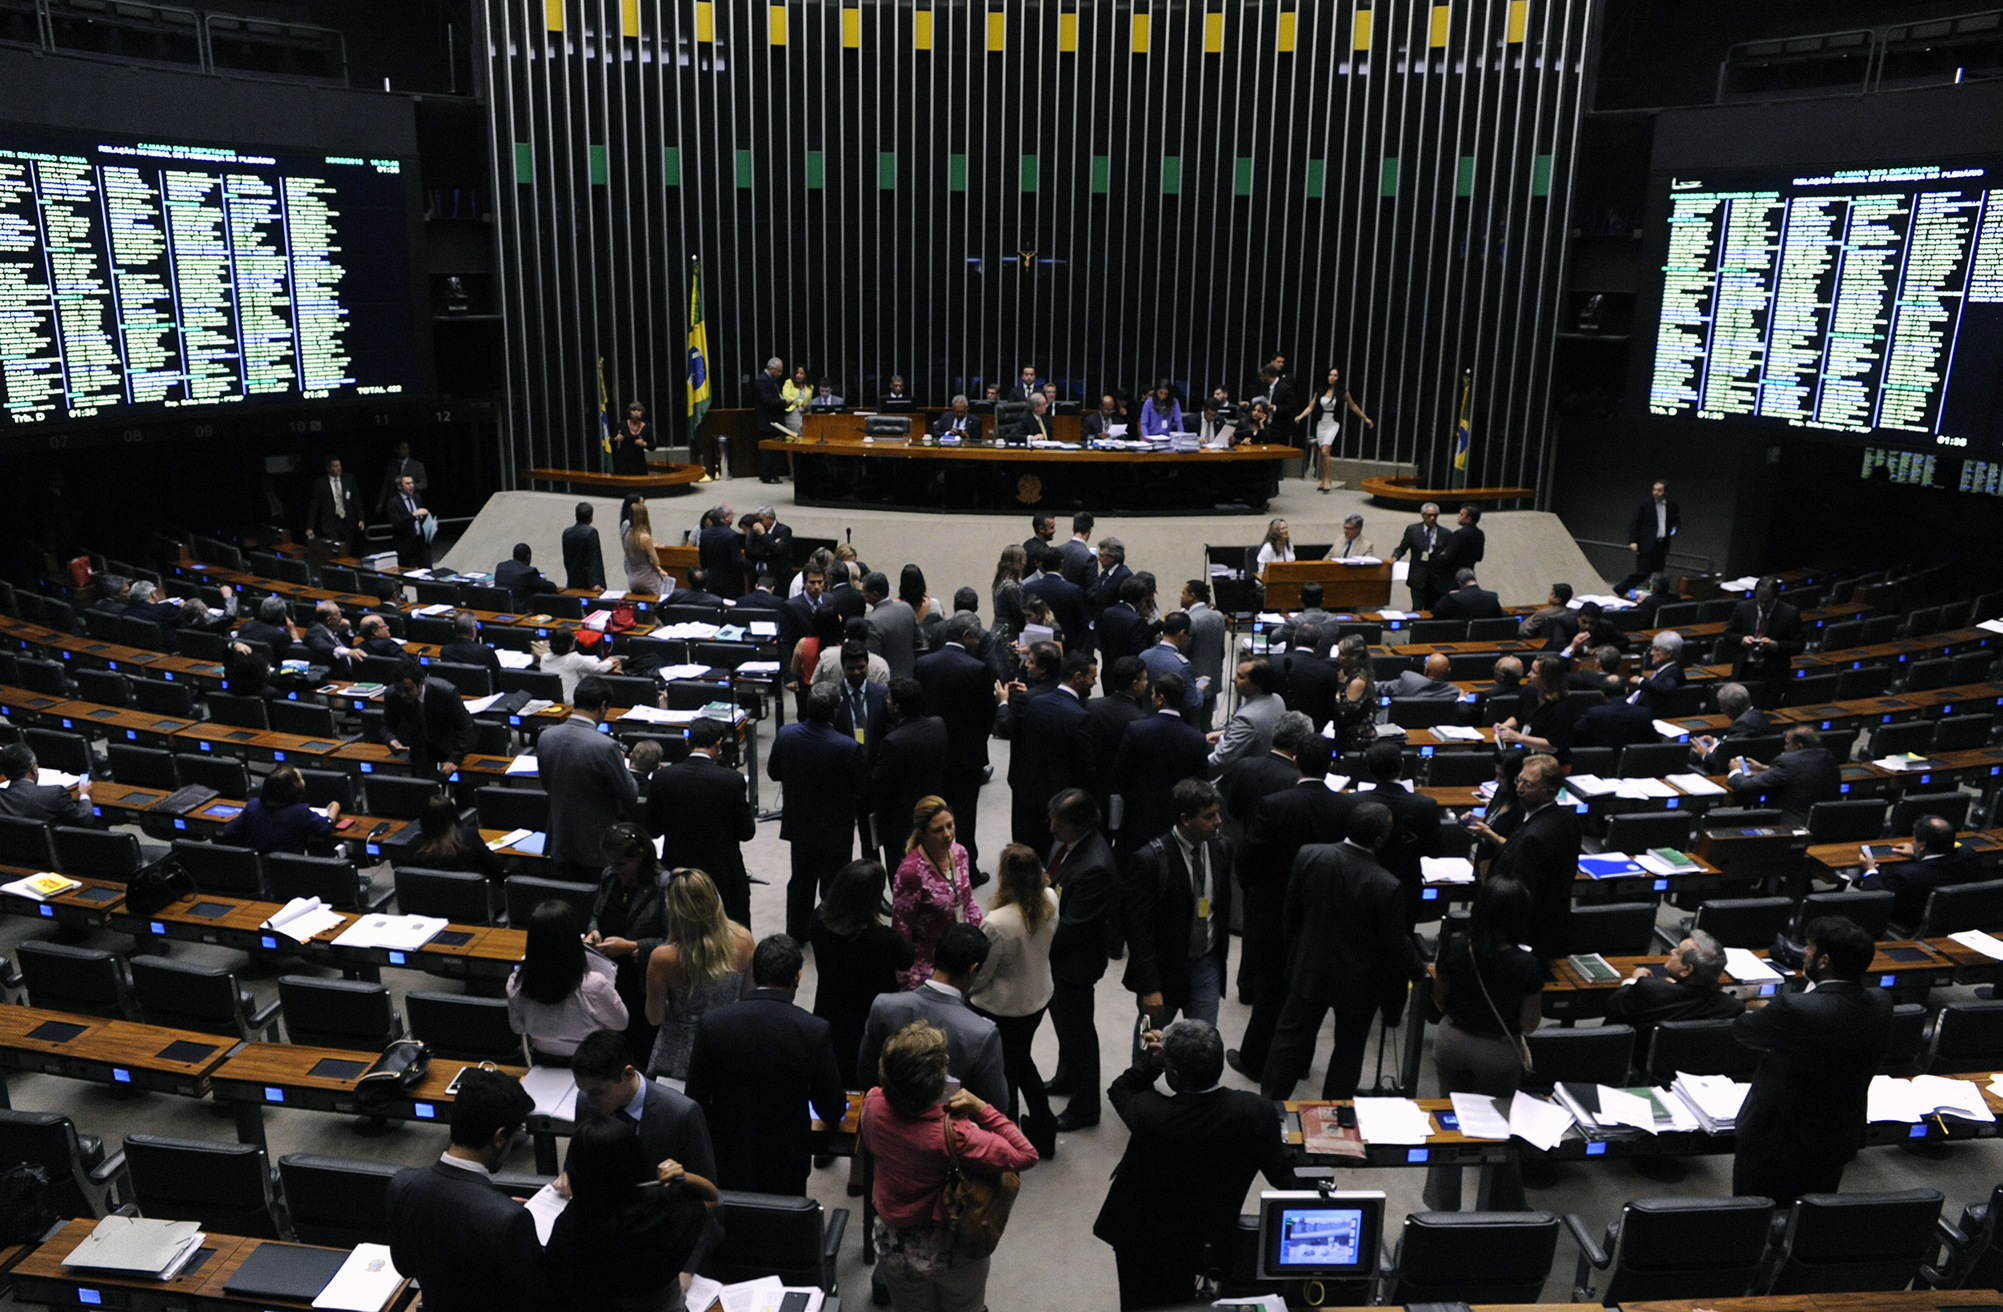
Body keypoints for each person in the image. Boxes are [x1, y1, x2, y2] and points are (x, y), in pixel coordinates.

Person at [1096, 1019, 1299, 1310]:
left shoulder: (1152, 1115)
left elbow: (1121, 1088)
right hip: (1211, 1243)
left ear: (1175, 1075)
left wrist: (1152, 1063)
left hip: (1147, 1243)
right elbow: (1283, 1174)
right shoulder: (1256, 1111)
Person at [861, 1019, 1039, 1312]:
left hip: (893, 1245)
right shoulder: (957, 1135)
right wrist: (982, 1108)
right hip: (950, 1250)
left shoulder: (873, 1104)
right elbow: (1026, 1154)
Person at [1260, 802, 1417, 1100]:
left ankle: (1270, 1104)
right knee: (1349, 1050)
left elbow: (1290, 913)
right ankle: (1335, 1115)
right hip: (1359, 982)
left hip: (1310, 966)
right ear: (1381, 839)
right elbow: (1394, 943)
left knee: (1290, 1039)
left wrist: (1298, 952)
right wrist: (1419, 971)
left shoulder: (1310, 854)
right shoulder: (1388, 884)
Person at [1732, 915, 1894, 1204]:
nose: (1804, 952)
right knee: (1810, 1214)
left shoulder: (1795, 1007)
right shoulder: (1881, 1001)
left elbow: (1746, 1032)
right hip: (1836, 1135)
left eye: (1809, 947)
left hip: (1775, 1141)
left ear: (1824, 961)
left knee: (1754, 1215)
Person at [684, 934, 845, 1196]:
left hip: (728, 1155)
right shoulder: (813, 1029)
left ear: (755, 974)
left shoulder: (713, 1023)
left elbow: (696, 1098)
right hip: (786, 1160)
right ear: (798, 977)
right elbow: (831, 1106)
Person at [1421, 876, 1541, 1212]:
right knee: (1502, 1128)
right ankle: (1503, 1206)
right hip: (1498, 1052)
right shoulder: (1526, 964)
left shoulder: (1457, 947)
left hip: (1453, 1042)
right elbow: (1529, 1023)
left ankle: (1442, 1206)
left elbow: (1439, 998)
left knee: (1449, 1121)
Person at [385, 1070, 547, 1312]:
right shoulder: (510, 1220)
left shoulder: (402, 1184)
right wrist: (506, 1216)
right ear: (500, 1137)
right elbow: (533, 1300)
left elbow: (404, 1267)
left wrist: (499, 1207)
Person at [544, 1116, 716, 1312]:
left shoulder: (569, 1228)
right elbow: (711, 1198)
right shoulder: (663, 1209)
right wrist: (683, 1177)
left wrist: (580, 1197)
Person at [968, 843, 1061, 1156]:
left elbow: (984, 973)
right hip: (1037, 998)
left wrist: (968, 991)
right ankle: (1044, 1130)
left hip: (1002, 1008)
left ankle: (1007, 1139)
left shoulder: (997, 922)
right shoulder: (1050, 898)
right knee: (1021, 1063)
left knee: (1006, 1071)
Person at [859, 923, 1009, 1108]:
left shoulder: (884, 1006)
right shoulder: (983, 1035)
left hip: (888, 1120)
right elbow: (996, 1107)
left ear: (935, 953)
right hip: (948, 1131)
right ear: (973, 970)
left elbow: (865, 1074)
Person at [1124, 779, 1232, 1034]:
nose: (1218, 821)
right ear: (1185, 819)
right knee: (1148, 1057)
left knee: (1203, 1051)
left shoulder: (1221, 849)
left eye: (1217, 813)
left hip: (1207, 966)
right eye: (1210, 816)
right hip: (1166, 971)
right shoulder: (1150, 860)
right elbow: (1139, 929)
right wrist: (1150, 987)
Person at [570, 1028, 720, 1204]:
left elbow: (709, 1193)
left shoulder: (682, 1113)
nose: (590, 1101)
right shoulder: (585, 1101)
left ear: (628, 1073)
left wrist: (681, 1178)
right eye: (584, 1091)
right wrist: (567, 1176)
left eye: (597, 1092)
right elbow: (577, 1163)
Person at [766, 682, 865, 939]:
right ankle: (830, 935)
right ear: (835, 711)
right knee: (834, 885)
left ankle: (796, 934)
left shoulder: (786, 735)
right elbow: (861, 787)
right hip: (836, 827)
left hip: (800, 824)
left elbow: (773, 772)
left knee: (800, 880)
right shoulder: (847, 746)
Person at [1043, 789, 1117, 1130]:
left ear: (1082, 825)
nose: (1052, 826)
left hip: (1075, 965)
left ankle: (1086, 1107)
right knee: (1065, 1027)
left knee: (1079, 1035)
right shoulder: (1067, 845)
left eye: (1059, 822)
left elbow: (1073, 928)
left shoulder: (1095, 866)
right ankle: (1066, 1078)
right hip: (1060, 961)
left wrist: (1033, 942)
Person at [810, 859, 915, 1087]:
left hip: (830, 1009)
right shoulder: (884, 939)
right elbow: (907, 959)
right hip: (870, 1019)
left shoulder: (818, 922)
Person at [642, 719, 755, 925]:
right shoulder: (732, 780)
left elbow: (653, 829)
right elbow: (746, 832)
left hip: (679, 871)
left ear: (688, 742)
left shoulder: (662, 777)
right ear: (719, 743)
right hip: (723, 874)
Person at [644, 869, 754, 1080]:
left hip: (679, 1053)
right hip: (728, 1042)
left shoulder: (663, 958)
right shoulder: (744, 939)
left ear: (673, 909)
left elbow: (654, 1017)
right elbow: (749, 998)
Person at [915, 614, 999, 879]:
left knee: (932, 813)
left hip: (931, 752)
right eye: (976, 637)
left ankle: (931, 867)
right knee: (964, 815)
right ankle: (967, 870)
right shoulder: (976, 668)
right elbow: (989, 714)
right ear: (966, 636)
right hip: (966, 755)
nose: (977, 642)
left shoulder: (923, 664)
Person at [536, 675, 639, 882]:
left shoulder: (546, 736)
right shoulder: (606, 746)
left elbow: (547, 783)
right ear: (602, 706)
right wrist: (624, 766)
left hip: (561, 837)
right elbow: (630, 795)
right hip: (596, 845)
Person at [1481, 753, 1580, 970]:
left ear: (1550, 792)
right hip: (1554, 923)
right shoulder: (1567, 819)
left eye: (1529, 785)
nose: (1519, 789)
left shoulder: (1533, 838)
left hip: (1527, 934)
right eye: (1520, 780)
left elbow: (1521, 897)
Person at [508, 900, 628, 1062]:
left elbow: (517, 1027)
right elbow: (620, 1023)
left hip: (543, 1058)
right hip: (592, 1062)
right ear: (573, 938)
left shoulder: (516, 981)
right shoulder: (595, 984)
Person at [1109, 674, 1212, 859]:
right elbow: (1201, 785)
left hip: (1138, 818)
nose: (1151, 697)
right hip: (1175, 822)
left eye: (1154, 694)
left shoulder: (1136, 730)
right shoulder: (1196, 739)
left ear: (1161, 698)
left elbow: (1119, 776)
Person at [893, 795, 984, 990]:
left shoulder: (960, 853)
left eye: (950, 825)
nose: (947, 834)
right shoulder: (911, 872)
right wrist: (905, 980)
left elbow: (967, 900)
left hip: (962, 954)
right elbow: (902, 928)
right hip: (930, 967)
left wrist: (981, 935)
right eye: (938, 830)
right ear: (923, 833)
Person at [1600, 929, 1743, 1045]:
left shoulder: (1648, 989)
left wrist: (1633, 981)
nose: (1672, 951)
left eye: (1678, 952)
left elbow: (1612, 1007)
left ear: (1686, 970)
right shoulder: (1731, 1007)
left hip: (1637, 1060)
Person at [871, 678, 948, 866]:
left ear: (897, 706)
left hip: (901, 822)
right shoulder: (938, 726)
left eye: (889, 698)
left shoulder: (892, 742)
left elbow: (879, 785)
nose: (886, 701)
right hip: (933, 811)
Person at [1860, 814, 1986, 926]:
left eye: (1916, 840)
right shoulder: (1970, 855)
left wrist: (1871, 870)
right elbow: (1953, 853)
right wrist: (1919, 853)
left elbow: (1879, 903)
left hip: (1911, 924)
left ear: (1922, 845)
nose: (1913, 842)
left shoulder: (1907, 875)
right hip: (1961, 919)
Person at [1726, 726, 1842, 825]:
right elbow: (1804, 770)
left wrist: (1736, 771)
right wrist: (1764, 768)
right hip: (1823, 822)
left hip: (1788, 824)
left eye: (1787, 744)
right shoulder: (1828, 756)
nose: (1785, 748)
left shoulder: (1787, 762)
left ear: (1799, 746)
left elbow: (1746, 786)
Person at [384, 658, 476, 779]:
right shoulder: (392, 695)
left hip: (451, 748)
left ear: (421, 682)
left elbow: (466, 727)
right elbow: (386, 726)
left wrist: (454, 760)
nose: (402, 694)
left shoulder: (446, 692)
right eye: (398, 689)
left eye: (407, 689)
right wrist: (392, 740)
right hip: (419, 751)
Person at [1724, 576, 1805, 707]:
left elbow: (1799, 645)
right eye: (1760, 600)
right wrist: (1743, 639)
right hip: (1745, 669)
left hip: (1773, 673)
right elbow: (1728, 634)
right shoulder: (1743, 607)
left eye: (1768, 602)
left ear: (1776, 597)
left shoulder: (1790, 613)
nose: (1762, 605)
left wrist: (1775, 645)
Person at [219, 765, 335, 854]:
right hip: (287, 874)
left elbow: (230, 832)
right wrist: (335, 807)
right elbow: (326, 826)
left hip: (255, 869)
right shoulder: (300, 813)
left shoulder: (252, 806)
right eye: (300, 779)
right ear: (293, 791)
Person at [1293, 365, 1373, 492]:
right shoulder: (1320, 390)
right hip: (1321, 423)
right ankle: (1323, 479)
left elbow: (1353, 406)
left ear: (1339, 377)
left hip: (1333, 423)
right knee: (1321, 454)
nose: (1332, 377)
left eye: (1335, 375)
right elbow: (1311, 406)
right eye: (1331, 375)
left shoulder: (1342, 392)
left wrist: (1366, 418)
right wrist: (1301, 416)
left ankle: (1328, 479)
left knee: (1325, 451)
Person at [1495, 654, 1584, 757]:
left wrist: (1517, 737)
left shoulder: (1562, 708)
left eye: (1534, 672)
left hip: (1551, 760)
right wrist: (1504, 726)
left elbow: (1552, 746)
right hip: (1527, 752)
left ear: (1547, 678)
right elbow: (1517, 717)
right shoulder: (1528, 691)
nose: (1528, 674)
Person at [1207, 657, 1284, 775]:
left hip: (1243, 777)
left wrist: (1193, 767)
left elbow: (1222, 761)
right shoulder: (1277, 699)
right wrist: (1225, 733)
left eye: (1241, 677)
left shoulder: (1247, 719)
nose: (1234, 679)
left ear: (1257, 684)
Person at [404, 793, 504, 878]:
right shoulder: (469, 837)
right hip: (470, 898)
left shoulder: (414, 845)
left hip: (430, 899)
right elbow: (497, 866)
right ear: (454, 815)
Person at [1692, 682, 1772, 772]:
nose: (1722, 710)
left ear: (1733, 707)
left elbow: (1722, 760)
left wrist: (1704, 754)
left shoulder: (1742, 724)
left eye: (1723, 707)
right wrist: (1715, 742)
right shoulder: (1759, 715)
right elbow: (1734, 743)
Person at [1620, 480, 1681, 593]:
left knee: (1658, 574)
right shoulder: (1645, 504)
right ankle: (1620, 589)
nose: (1655, 493)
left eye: (1659, 490)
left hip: (1662, 544)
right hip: (1646, 544)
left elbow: (1676, 521)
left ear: (1666, 492)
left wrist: (1674, 530)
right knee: (1643, 572)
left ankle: (1654, 595)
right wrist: (1633, 541)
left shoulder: (1672, 504)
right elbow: (1635, 522)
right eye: (1654, 490)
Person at [1571, 674, 1658, 751]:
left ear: (1602, 694)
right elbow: (1655, 742)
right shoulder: (1644, 713)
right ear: (1626, 690)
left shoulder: (1594, 713)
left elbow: (1574, 737)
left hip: (1600, 764)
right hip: (1633, 765)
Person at [536, 627, 617, 703]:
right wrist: (609, 661)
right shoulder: (574, 659)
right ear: (571, 644)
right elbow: (601, 669)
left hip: (548, 701)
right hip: (570, 703)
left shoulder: (544, 657)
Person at [863, 571, 919, 680]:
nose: (862, 595)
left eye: (864, 592)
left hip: (889, 679)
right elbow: (918, 641)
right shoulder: (906, 608)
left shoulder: (872, 621)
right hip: (911, 676)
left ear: (875, 594)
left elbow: (875, 658)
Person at [1392, 502, 1447, 611]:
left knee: (1431, 608)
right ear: (1423, 515)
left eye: (1435, 515)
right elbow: (1402, 548)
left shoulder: (1445, 533)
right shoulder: (1413, 530)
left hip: (1435, 578)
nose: (1432, 518)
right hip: (1417, 576)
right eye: (1429, 515)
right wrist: (1395, 557)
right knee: (1417, 607)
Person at [305, 456, 366, 550]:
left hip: (347, 521)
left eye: (339, 465)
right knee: (333, 550)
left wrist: (361, 518)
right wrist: (310, 527)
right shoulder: (320, 483)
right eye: (335, 466)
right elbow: (314, 506)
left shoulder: (349, 479)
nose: (339, 468)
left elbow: (356, 500)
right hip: (331, 522)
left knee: (347, 549)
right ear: (328, 468)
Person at [1629, 629, 1687, 713]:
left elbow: (1667, 687)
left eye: (1656, 649)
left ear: (1669, 654)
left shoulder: (1673, 672)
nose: (1651, 653)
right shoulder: (1671, 669)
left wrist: (1641, 681)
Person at [752, 357, 790, 482]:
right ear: (771, 368)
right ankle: (767, 476)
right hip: (767, 421)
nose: (780, 374)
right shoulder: (763, 380)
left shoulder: (770, 380)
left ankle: (769, 474)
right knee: (768, 450)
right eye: (778, 371)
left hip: (772, 420)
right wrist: (784, 403)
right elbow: (767, 401)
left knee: (771, 450)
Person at [387, 473, 433, 568]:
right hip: (405, 544)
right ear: (400, 486)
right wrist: (413, 515)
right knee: (406, 572)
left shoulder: (416, 498)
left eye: (412, 483)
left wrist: (430, 523)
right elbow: (397, 523)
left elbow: (421, 518)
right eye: (407, 484)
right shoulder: (394, 502)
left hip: (420, 542)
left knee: (427, 569)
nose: (411, 486)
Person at [622, 500, 666, 595]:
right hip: (647, 579)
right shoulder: (645, 537)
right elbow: (656, 561)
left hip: (632, 578)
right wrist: (659, 569)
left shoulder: (626, 533)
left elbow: (635, 547)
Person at [495, 543, 559, 608]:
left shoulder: (501, 567)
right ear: (528, 557)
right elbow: (551, 587)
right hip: (522, 611)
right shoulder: (528, 572)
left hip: (502, 608)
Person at [376, 439, 428, 515]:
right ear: (397, 450)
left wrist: (409, 486)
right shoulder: (392, 466)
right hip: (395, 501)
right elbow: (386, 485)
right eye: (403, 448)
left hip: (411, 500)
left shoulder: (417, 465)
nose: (406, 450)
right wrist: (380, 503)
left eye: (407, 448)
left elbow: (423, 484)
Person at [562, 501, 606, 591]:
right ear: (591, 517)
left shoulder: (567, 532)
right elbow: (593, 559)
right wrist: (594, 583)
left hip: (572, 580)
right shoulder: (591, 532)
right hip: (588, 583)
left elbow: (566, 558)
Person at [1433, 567, 1502, 621]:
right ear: (1475, 579)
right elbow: (1499, 615)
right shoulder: (1492, 597)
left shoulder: (1454, 597)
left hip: (1461, 636)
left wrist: (1448, 594)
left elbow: (1436, 612)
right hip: (1487, 636)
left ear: (1460, 583)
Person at [612, 401, 653, 475]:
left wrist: (644, 444)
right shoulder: (621, 425)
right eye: (633, 410)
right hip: (623, 461)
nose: (636, 412)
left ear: (642, 412)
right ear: (629, 412)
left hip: (639, 461)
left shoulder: (647, 427)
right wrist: (616, 439)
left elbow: (652, 446)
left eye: (638, 410)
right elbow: (611, 442)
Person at [1058, 512, 1098, 590]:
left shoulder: (1058, 550)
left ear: (1073, 528)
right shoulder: (1089, 558)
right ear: (1090, 529)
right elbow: (1092, 591)